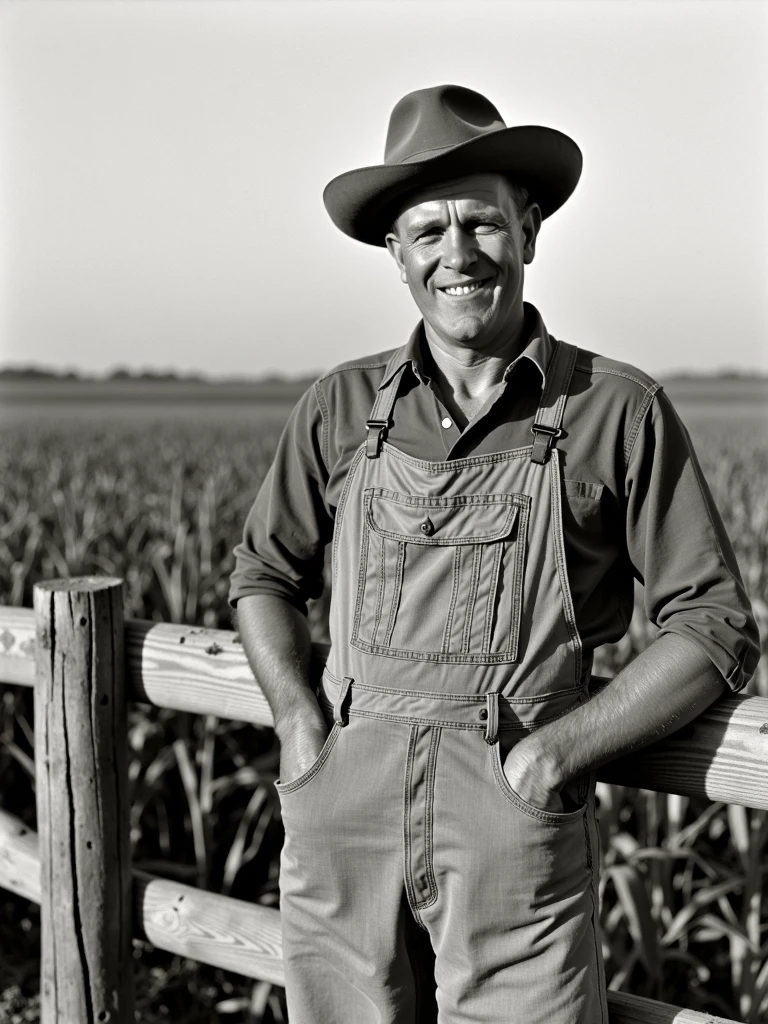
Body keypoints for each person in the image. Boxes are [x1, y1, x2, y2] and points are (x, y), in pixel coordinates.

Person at [229, 85, 759, 1024]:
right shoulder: (342, 409)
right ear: (396, 256)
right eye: (427, 231)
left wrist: (558, 755)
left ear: (530, 230)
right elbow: (265, 576)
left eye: (483, 223)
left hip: (514, 816)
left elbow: (713, 624)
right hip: (340, 808)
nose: (458, 254)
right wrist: (302, 731)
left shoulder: (614, 410)